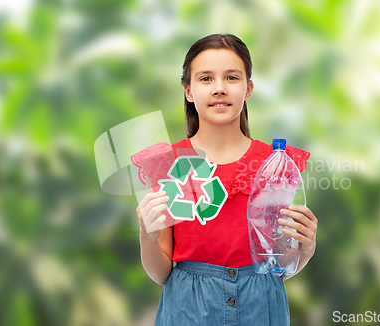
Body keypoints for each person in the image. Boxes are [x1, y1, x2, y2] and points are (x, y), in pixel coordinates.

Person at [133, 34, 318, 326]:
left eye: (232, 77)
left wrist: (305, 251)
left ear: (248, 89)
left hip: (262, 307)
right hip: (188, 310)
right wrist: (147, 236)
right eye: (206, 79)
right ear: (188, 91)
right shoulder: (166, 165)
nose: (219, 89)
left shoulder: (277, 163)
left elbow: (279, 265)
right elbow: (161, 273)